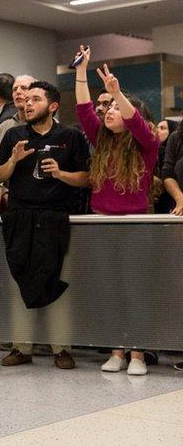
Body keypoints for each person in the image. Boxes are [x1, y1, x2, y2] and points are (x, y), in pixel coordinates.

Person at [73, 48, 160, 375]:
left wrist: (117, 92)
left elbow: (137, 123)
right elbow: (83, 109)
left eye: (114, 108)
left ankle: (138, 354)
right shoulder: (101, 141)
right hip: (103, 224)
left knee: (135, 289)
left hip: (135, 225)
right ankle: (117, 351)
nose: (108, 111)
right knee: (110, 289)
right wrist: (81, 72)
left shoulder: (146, 145)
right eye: (107, 107)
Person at [0, 81, 90, 369]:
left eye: (36, 99)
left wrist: (60, 174)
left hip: (55, 218)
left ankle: (61, 349)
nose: (28, 104)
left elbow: (86, 177)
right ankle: (21, 348)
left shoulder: (70, 136)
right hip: (20, 218)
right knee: (18, 283)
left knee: (56, 284)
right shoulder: (13, 135)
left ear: (53, 106)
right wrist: (13, 160)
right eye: (27, 100)